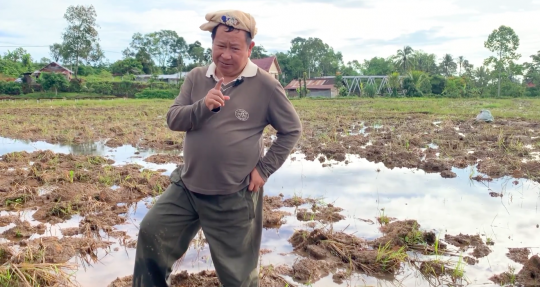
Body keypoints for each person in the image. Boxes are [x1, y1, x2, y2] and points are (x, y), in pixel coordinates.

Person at [131, 9, 302, 287]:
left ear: (250, 48)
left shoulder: (266, 86)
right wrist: (202, 106)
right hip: (187, 186)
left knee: (238, 276)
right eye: (220, 46)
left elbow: (291, 130)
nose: (226, 54)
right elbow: (174, 118)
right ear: (212, 44)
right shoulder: (197, 77)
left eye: (235, 48)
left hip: (233, 194)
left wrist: (264, 169)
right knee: (152, 233)